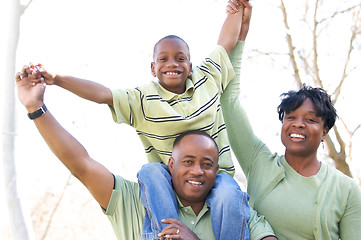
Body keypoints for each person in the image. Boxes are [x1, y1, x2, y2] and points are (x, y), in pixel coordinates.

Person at [23, 1, 254, 239]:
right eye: (163, 59)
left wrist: (235, 10)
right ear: (153, 68)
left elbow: (225, 43)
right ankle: (165, 234)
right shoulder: (142, 99)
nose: (172, 64)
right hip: (169, 181)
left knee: (229, 193)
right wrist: (57, 79)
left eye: (180, 58)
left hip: (217, 176)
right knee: (150, 171)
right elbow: (103, 94)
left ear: (190, 64)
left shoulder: (206, 78)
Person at [15, 67, 278, 240]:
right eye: (188, 162)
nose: (197, 170)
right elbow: (81, 165)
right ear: (170, 164)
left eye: (207, 164)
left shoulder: (236, 211)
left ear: (217, 169)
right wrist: (36, 108)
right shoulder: (136, 202)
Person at [220, 8, 361, 237]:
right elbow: (229, 102)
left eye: (310, 119)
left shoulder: (345, 190)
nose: (298, 124)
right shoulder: (260, 164)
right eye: (291, 117)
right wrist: (240, 36)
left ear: (324, 131)